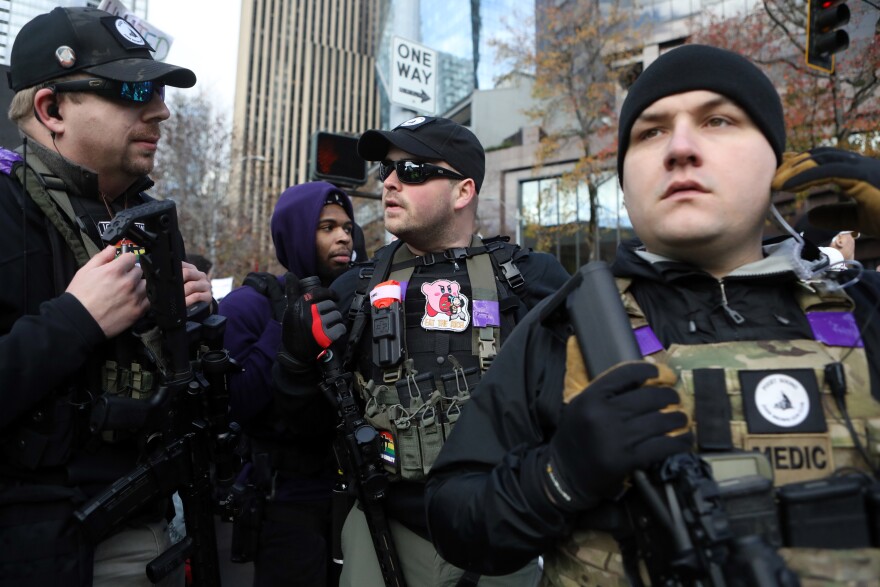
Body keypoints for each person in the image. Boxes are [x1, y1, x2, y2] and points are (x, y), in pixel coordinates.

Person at [425, 44, 880, 586]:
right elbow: (455, 518)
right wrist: (556, 477)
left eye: (718, 120)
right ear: (625, 176)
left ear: (774, 161)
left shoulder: (862, 309)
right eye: (650, 132)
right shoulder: (564, 325)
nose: (680, 148)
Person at [274, 116, 571, 586]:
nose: (390, 182)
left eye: (412, 170)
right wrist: (294, 363)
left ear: (463, 191)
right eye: (387, 170)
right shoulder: (353, 290)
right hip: (384, 529)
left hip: (502, 528)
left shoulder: (531, 279)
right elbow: (305, 428)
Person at [0, 6, 211, 586]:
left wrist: (193, 323)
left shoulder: (146, 221)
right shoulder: (5, 209)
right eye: (133, 88)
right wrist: (75, 321)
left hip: (158, 526)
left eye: (160, 89)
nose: (161, 109)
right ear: (52, 108)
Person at [218, 181, 356, 586]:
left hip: (354, 504)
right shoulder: (249, 305)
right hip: (285, 505)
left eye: (347, 226)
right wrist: (285, 323)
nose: (343, 236)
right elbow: (236, 402)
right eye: (327, 227)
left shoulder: (359, 301)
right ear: (295, 232)